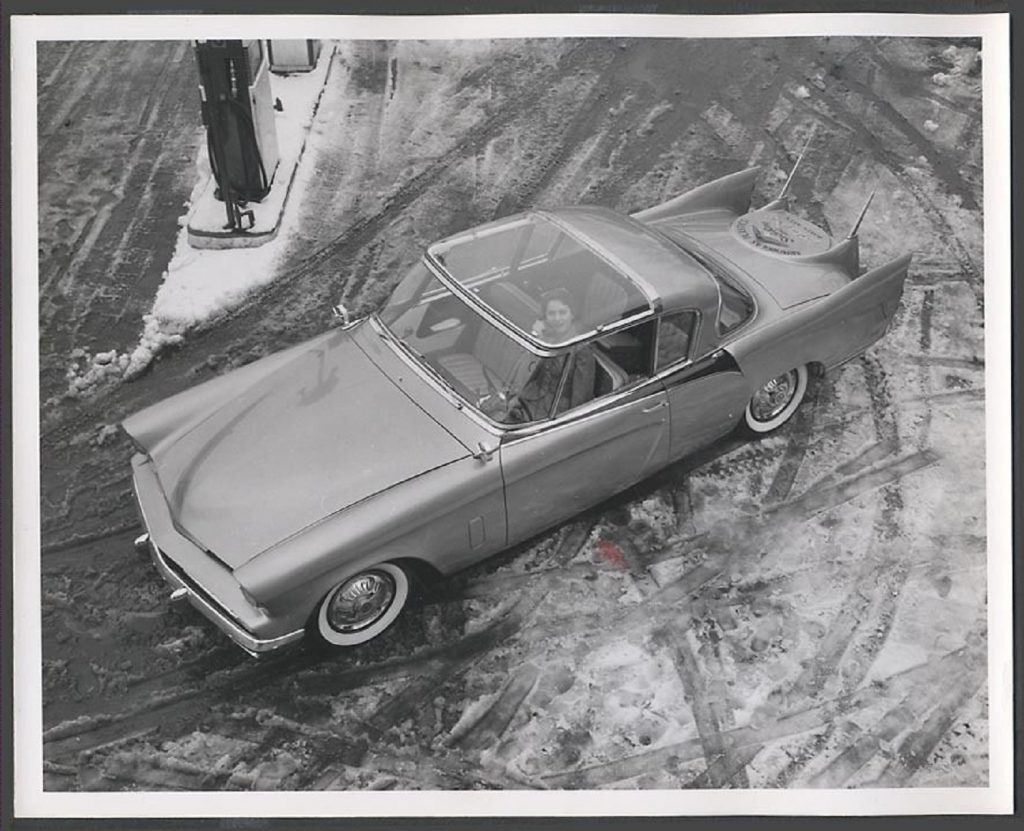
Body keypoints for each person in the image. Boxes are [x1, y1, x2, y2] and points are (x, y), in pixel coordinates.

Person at [513, 290, 596, 420]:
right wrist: (536, 337)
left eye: (562, 313)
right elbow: (525, 374)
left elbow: (580, 400)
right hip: (529, 400)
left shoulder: (582, 350)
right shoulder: (545, 338)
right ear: (545, 317)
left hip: (554, 412)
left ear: (572, 315)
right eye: (551, 314)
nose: (557, 318)